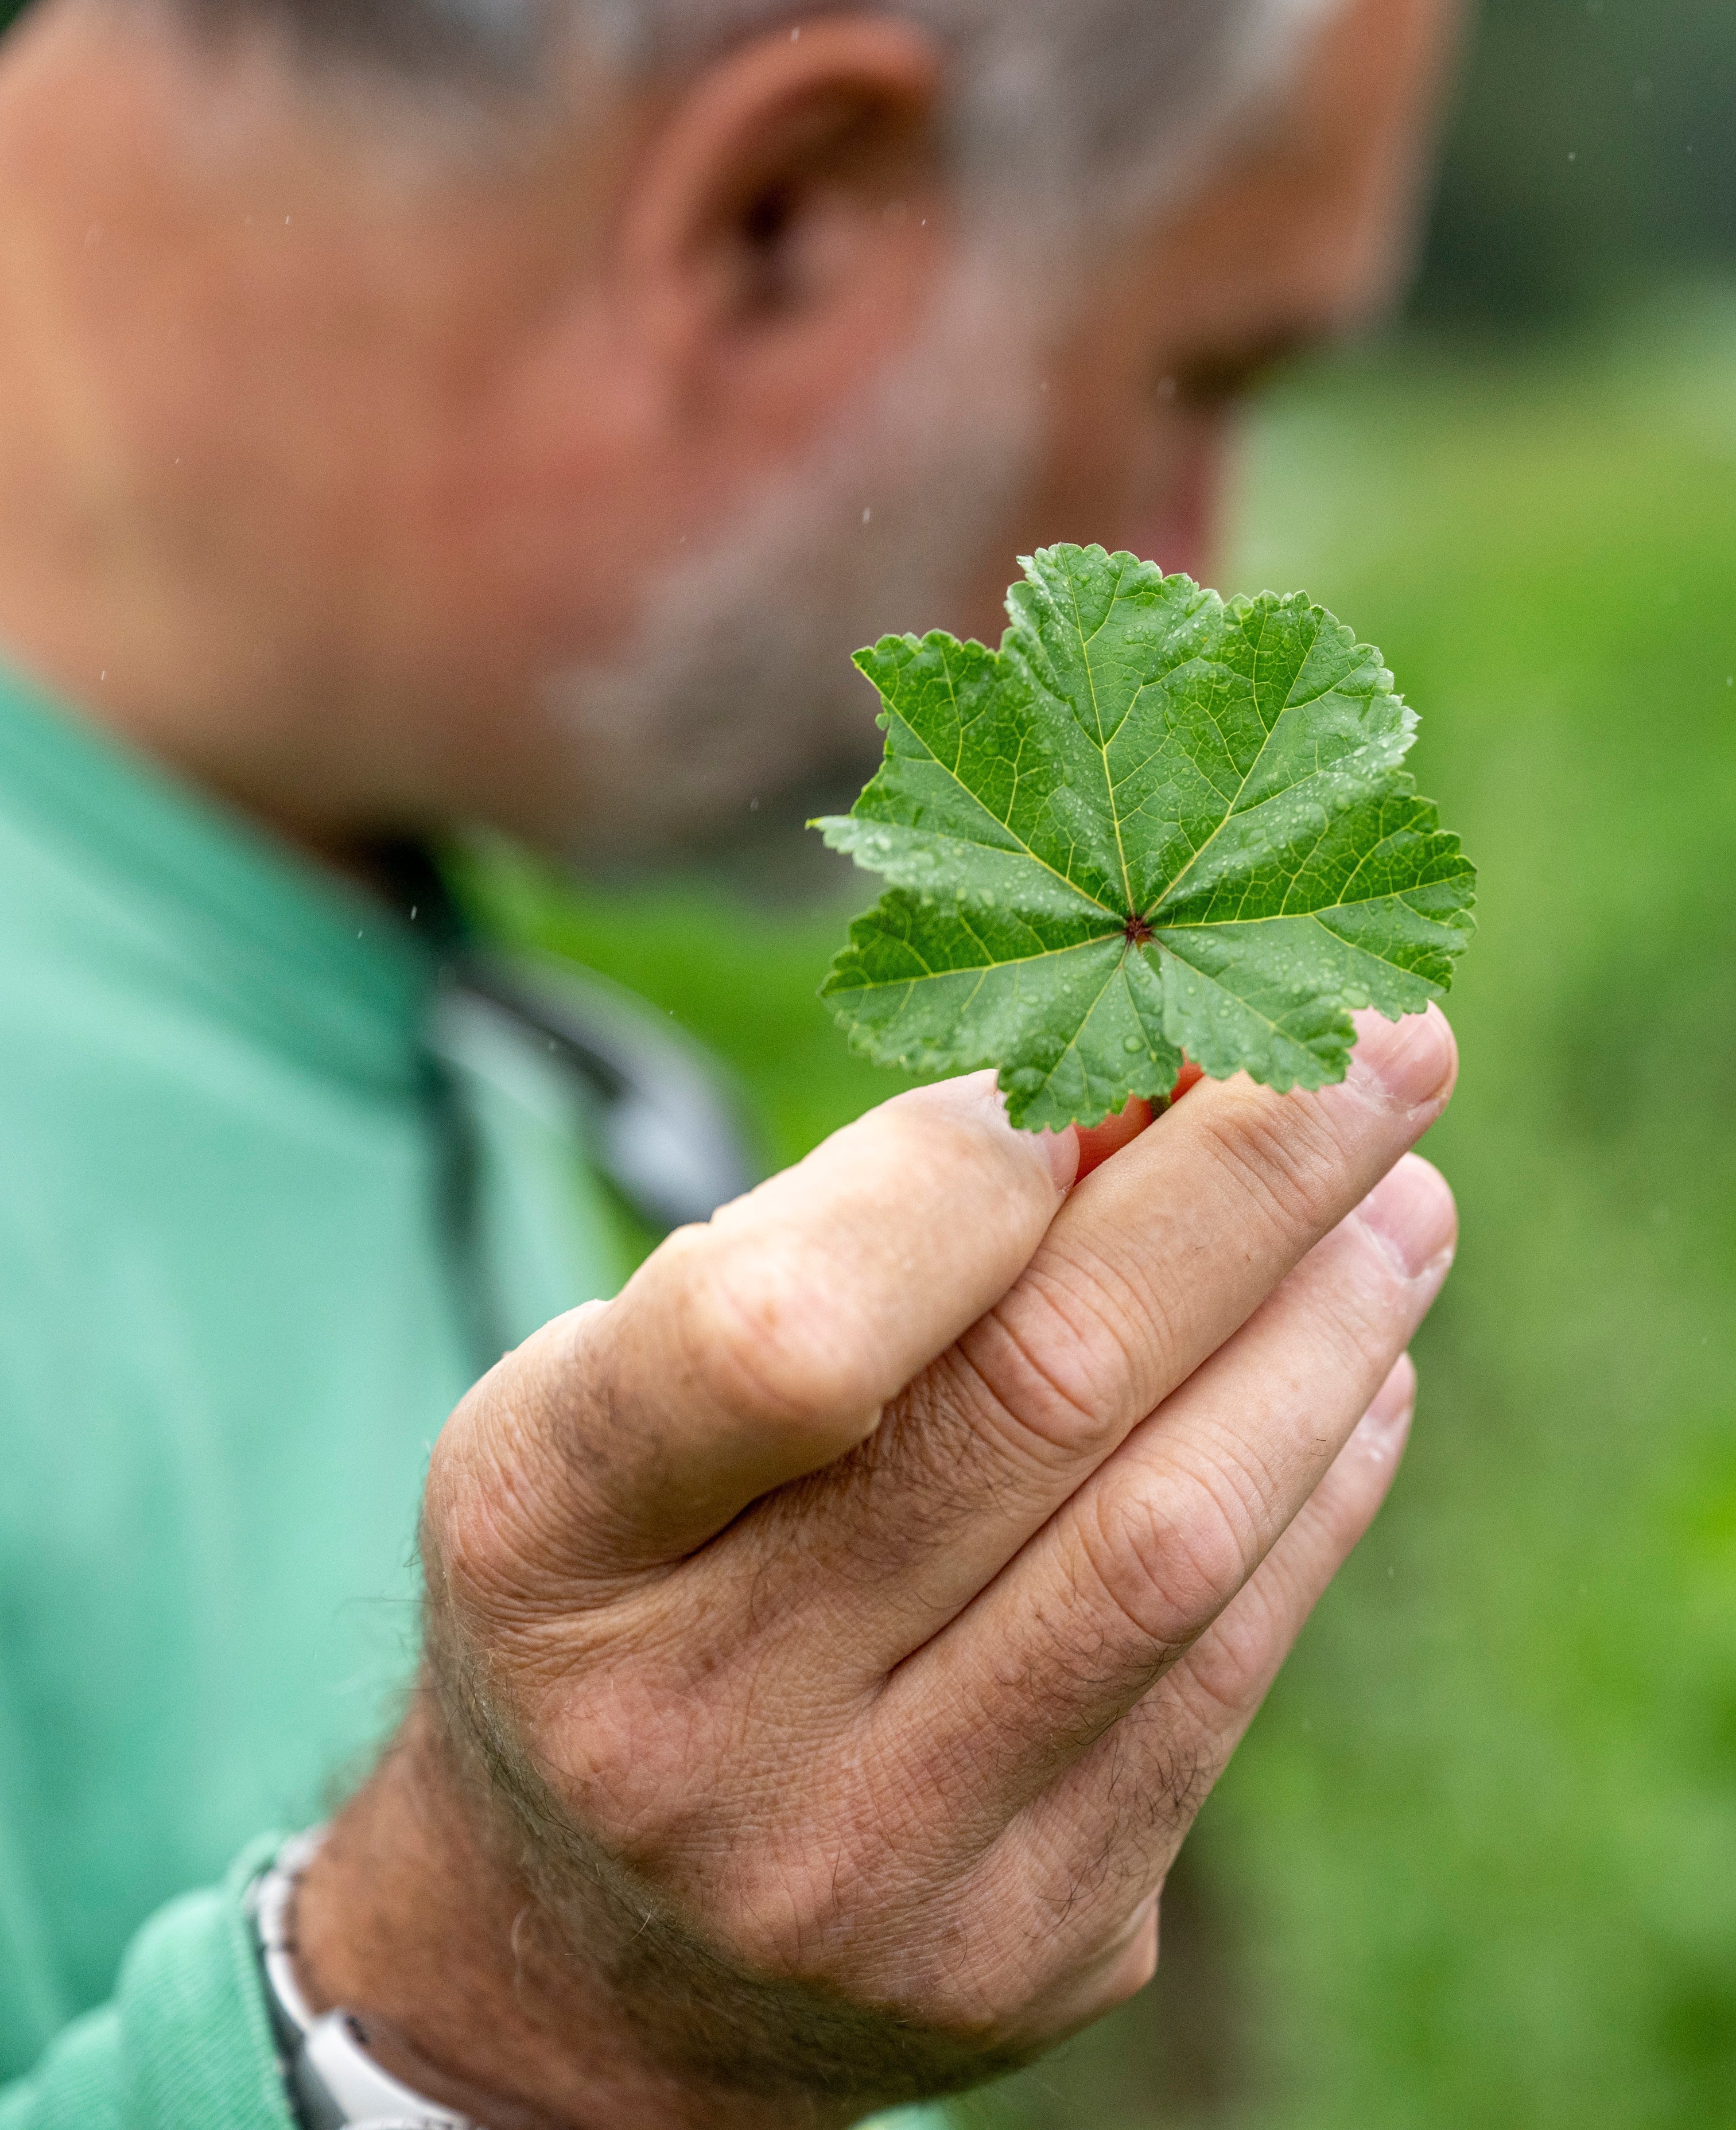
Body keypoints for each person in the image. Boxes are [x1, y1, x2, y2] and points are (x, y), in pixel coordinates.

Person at [0, 0, 1462, 2119]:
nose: (1197, 563)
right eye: (1201, 373)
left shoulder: (328, 882)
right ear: (776, 219)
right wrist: (490, 2032)